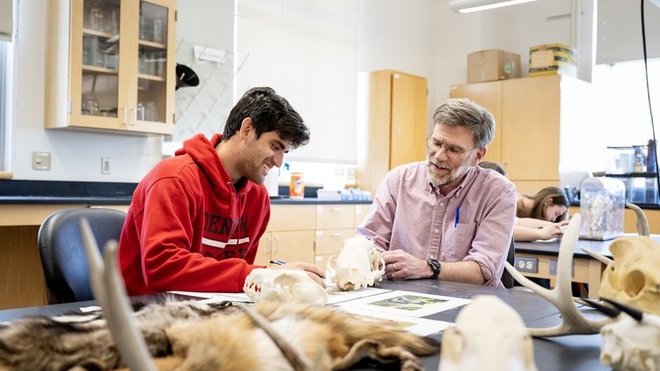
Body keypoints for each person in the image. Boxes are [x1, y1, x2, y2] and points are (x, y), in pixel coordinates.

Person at [118, 87, 325, 296]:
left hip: (209, 310)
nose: (279, 162)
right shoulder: (174, 179)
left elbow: (234, 280)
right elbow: (162, 269)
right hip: (148, 312)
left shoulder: (257, 197)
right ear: (247, 130)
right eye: (274, 146)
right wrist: (263, 274)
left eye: (284, 152)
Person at [356, 98, 517, 288]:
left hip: (467, 304)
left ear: (478, 156)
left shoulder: (498, 193)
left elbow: (484, 270)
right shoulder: (398, 180)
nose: (439, 156)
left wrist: (427, 268)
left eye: (453, 149)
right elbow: (369, 241)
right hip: (399, 298)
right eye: (436, 143)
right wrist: (364, 257)